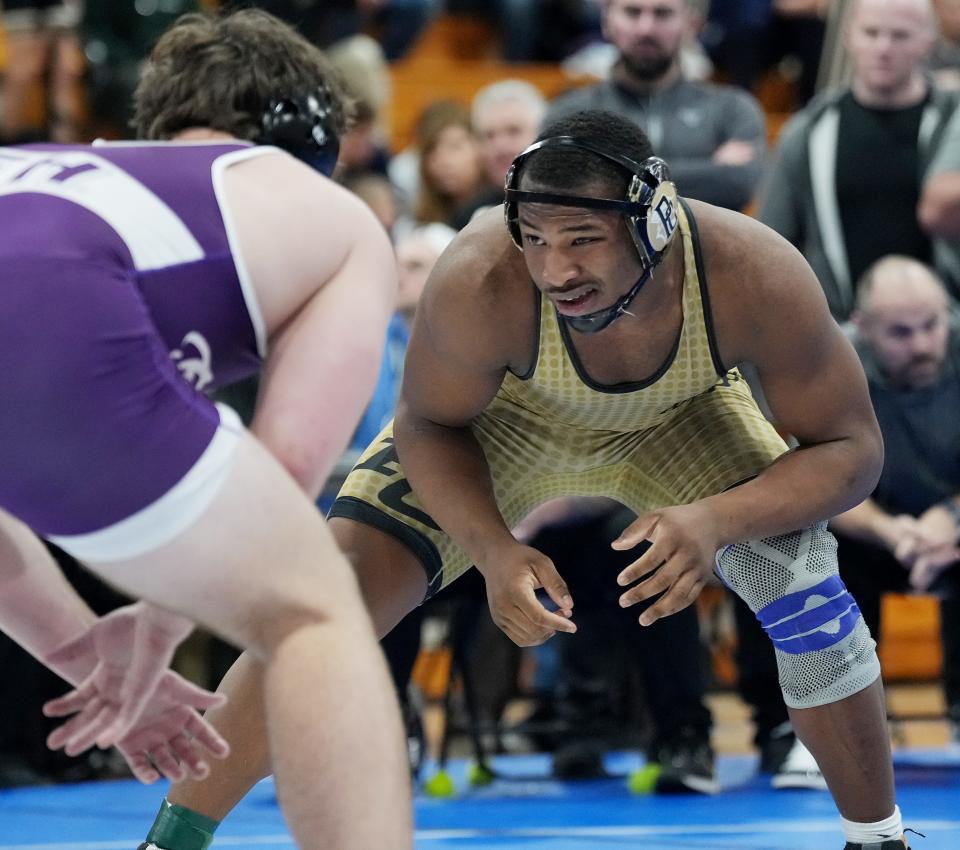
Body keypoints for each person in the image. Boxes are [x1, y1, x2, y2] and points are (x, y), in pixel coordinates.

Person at [139, 107, 911, 850]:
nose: (555, 269)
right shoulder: (481, 276)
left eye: (583, 238)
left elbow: (852, 450)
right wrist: (492, 549)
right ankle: (170, 841)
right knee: (325, 599)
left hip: (685, 416)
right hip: (501, 423)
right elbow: (426, 423)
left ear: (657, 221)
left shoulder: (753, 271)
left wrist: (715, 521)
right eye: (535, 238)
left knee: (804, 587)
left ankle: (877, 840)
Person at [0, 9, 412, 850]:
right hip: (64, 288)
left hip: (52, 274)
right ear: (314, 143)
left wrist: (87, 658)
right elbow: (291, 461)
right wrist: (163, 620)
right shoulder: (316, 206)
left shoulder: (69, 162)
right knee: (312, 609)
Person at [757, 0, 960, 322]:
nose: (883, 48)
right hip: (842, 331)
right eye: (871, 32)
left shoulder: (952, 122)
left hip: (942, 333)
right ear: (849, 36)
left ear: (928, 42)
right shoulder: (808, 132)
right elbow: (769, 245)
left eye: (900, 35)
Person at [836, 257, 960, 742]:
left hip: (949, 528)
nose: (923, 345)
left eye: (932, 325)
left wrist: (950, 519)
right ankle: (838, 724)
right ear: (863, 327)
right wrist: (891, 532)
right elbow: (808, 482)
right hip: (874, 533)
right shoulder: (831, 365)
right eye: (901, 334)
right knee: (789, 544)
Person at [547, 0, 766, 212]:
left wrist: (606, 172)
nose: (646, 29)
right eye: (633, 12)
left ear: (691, 23)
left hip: (704, 248)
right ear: (607, 21)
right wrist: (709, 169)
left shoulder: (731, 109)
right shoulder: (572, 112)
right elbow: (559, 182)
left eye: (663, 13)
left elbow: (740, 184)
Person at [450, 79, 547, 230]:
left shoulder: (569, 205)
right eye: (489, 136)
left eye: (513, 131)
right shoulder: (468, 218)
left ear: (542, 134)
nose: (500, 147)